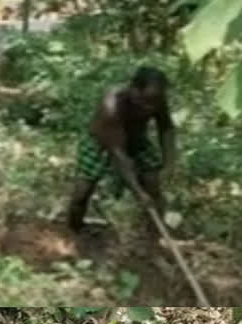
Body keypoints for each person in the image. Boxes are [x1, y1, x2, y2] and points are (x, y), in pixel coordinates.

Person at [68, 66, 176, 233]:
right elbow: (119, 155)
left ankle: (156, 235)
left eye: (155, 101)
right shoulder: (112, 105)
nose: (150, 107)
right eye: (146, 100)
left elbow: (166, 129)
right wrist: (138, 192)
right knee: (82, 192)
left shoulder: (157, 101)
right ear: (133, 89)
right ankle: (74, 230)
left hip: (137, 142)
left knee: (153, 184)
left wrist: (169, 164)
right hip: (102, 143)